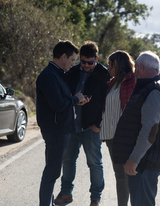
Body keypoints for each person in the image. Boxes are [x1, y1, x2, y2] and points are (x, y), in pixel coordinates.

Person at [112, 51, 160, 206]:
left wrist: (134, 159)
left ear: (140, 67)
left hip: (145, 163)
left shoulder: (153, 91)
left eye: (136, 69)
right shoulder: (151, 87)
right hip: (145, 161)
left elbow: (150, 131)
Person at [54, 41, 110, 206]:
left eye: (90, 62)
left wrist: (98, 124)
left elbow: (108, 103)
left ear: (97, 59)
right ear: (79, 58)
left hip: (91, 128)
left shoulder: (104, 75)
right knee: (68, 160)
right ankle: (66, 194)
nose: (86, 65)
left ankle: (95, 198)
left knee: (94, 163)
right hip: (71, 127)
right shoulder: (71, 72)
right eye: (83, 61)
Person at [37, 40, 89, 206]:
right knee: (51, 173)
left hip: (61, 129)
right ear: (63, 56)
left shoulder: (59, 74)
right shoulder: (49, 75)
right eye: (72, 59)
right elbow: (58, 104)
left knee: (53, 172)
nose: (73, 63)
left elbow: (62, 100)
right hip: (55, 130)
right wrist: (75, 99)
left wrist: (75, 101)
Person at [100, 50, 136, 206]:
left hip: (123, 136)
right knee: (119, 176)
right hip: (109, 136)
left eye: (110, 64)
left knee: (125, 176)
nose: (108, 67)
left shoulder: (132, 81)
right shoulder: (111, 84)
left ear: (118, 64)